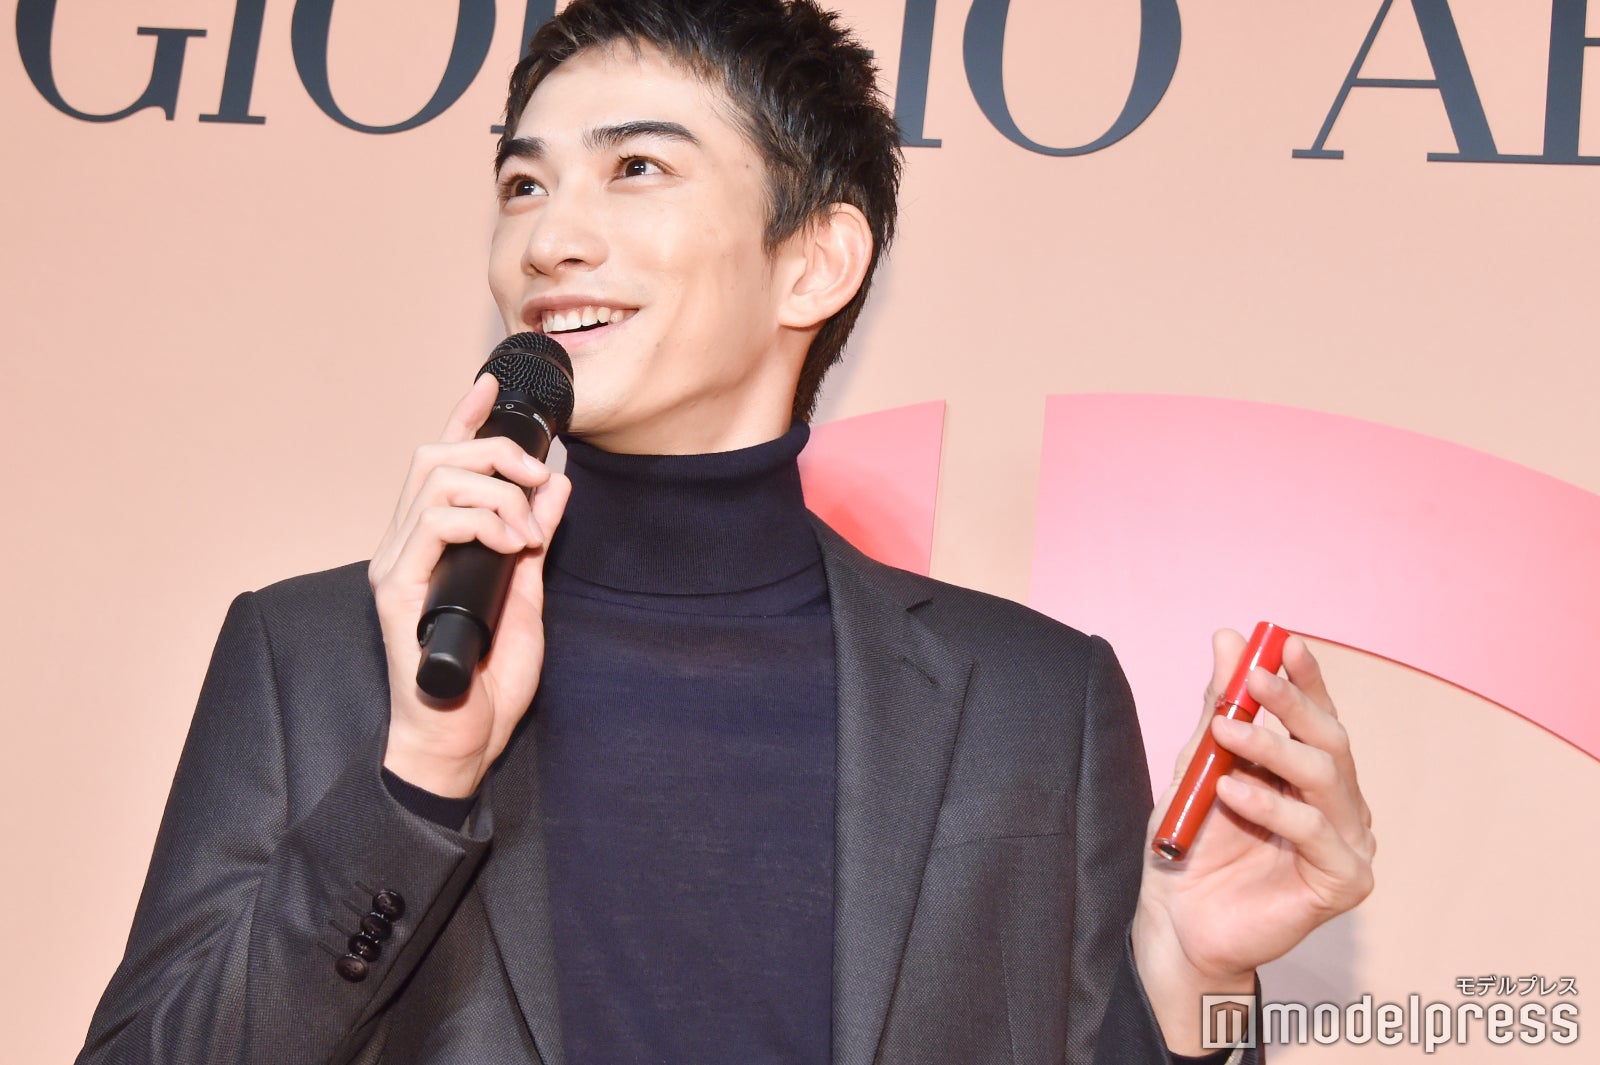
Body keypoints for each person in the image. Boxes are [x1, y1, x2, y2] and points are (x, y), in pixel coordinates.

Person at [77, 1, 1375, 1062]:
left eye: (635, 168)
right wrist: (415, 779)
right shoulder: (315, 655)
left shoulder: (1032, 699)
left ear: (815, 262)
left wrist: (1190, 977)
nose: (549, 238)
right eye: (523, 183)